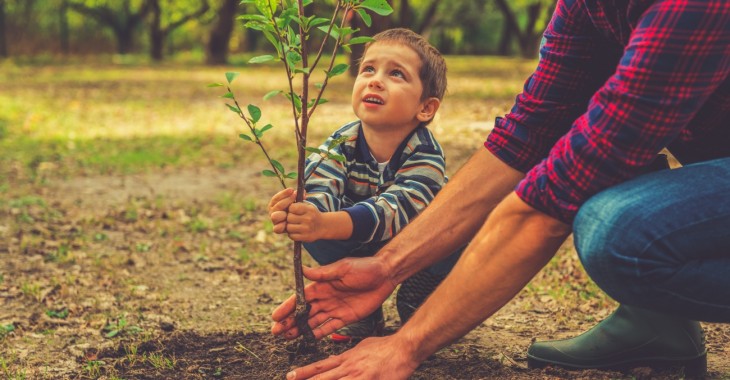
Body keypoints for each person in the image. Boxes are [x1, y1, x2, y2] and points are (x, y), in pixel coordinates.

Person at [270, 0, 730, 378]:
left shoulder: (690, 7)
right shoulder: (584, 9)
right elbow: (528, 134)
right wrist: (385, 267)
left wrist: (407, 344)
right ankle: (656, 323)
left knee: (617, 231)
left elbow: (557, 195)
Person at [267, 28, 462, 343]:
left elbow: (396, 211)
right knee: (316, 232)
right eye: (368, 69)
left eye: (396, 74)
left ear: (425, 107)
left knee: (456, 241)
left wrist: (329, 222)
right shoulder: (343, 140)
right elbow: (321, 185)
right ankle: (363, 308)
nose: (375, 79)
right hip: (362, 239)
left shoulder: (425, 153)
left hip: (420, 243)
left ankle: (425, 288)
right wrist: (303, 214)